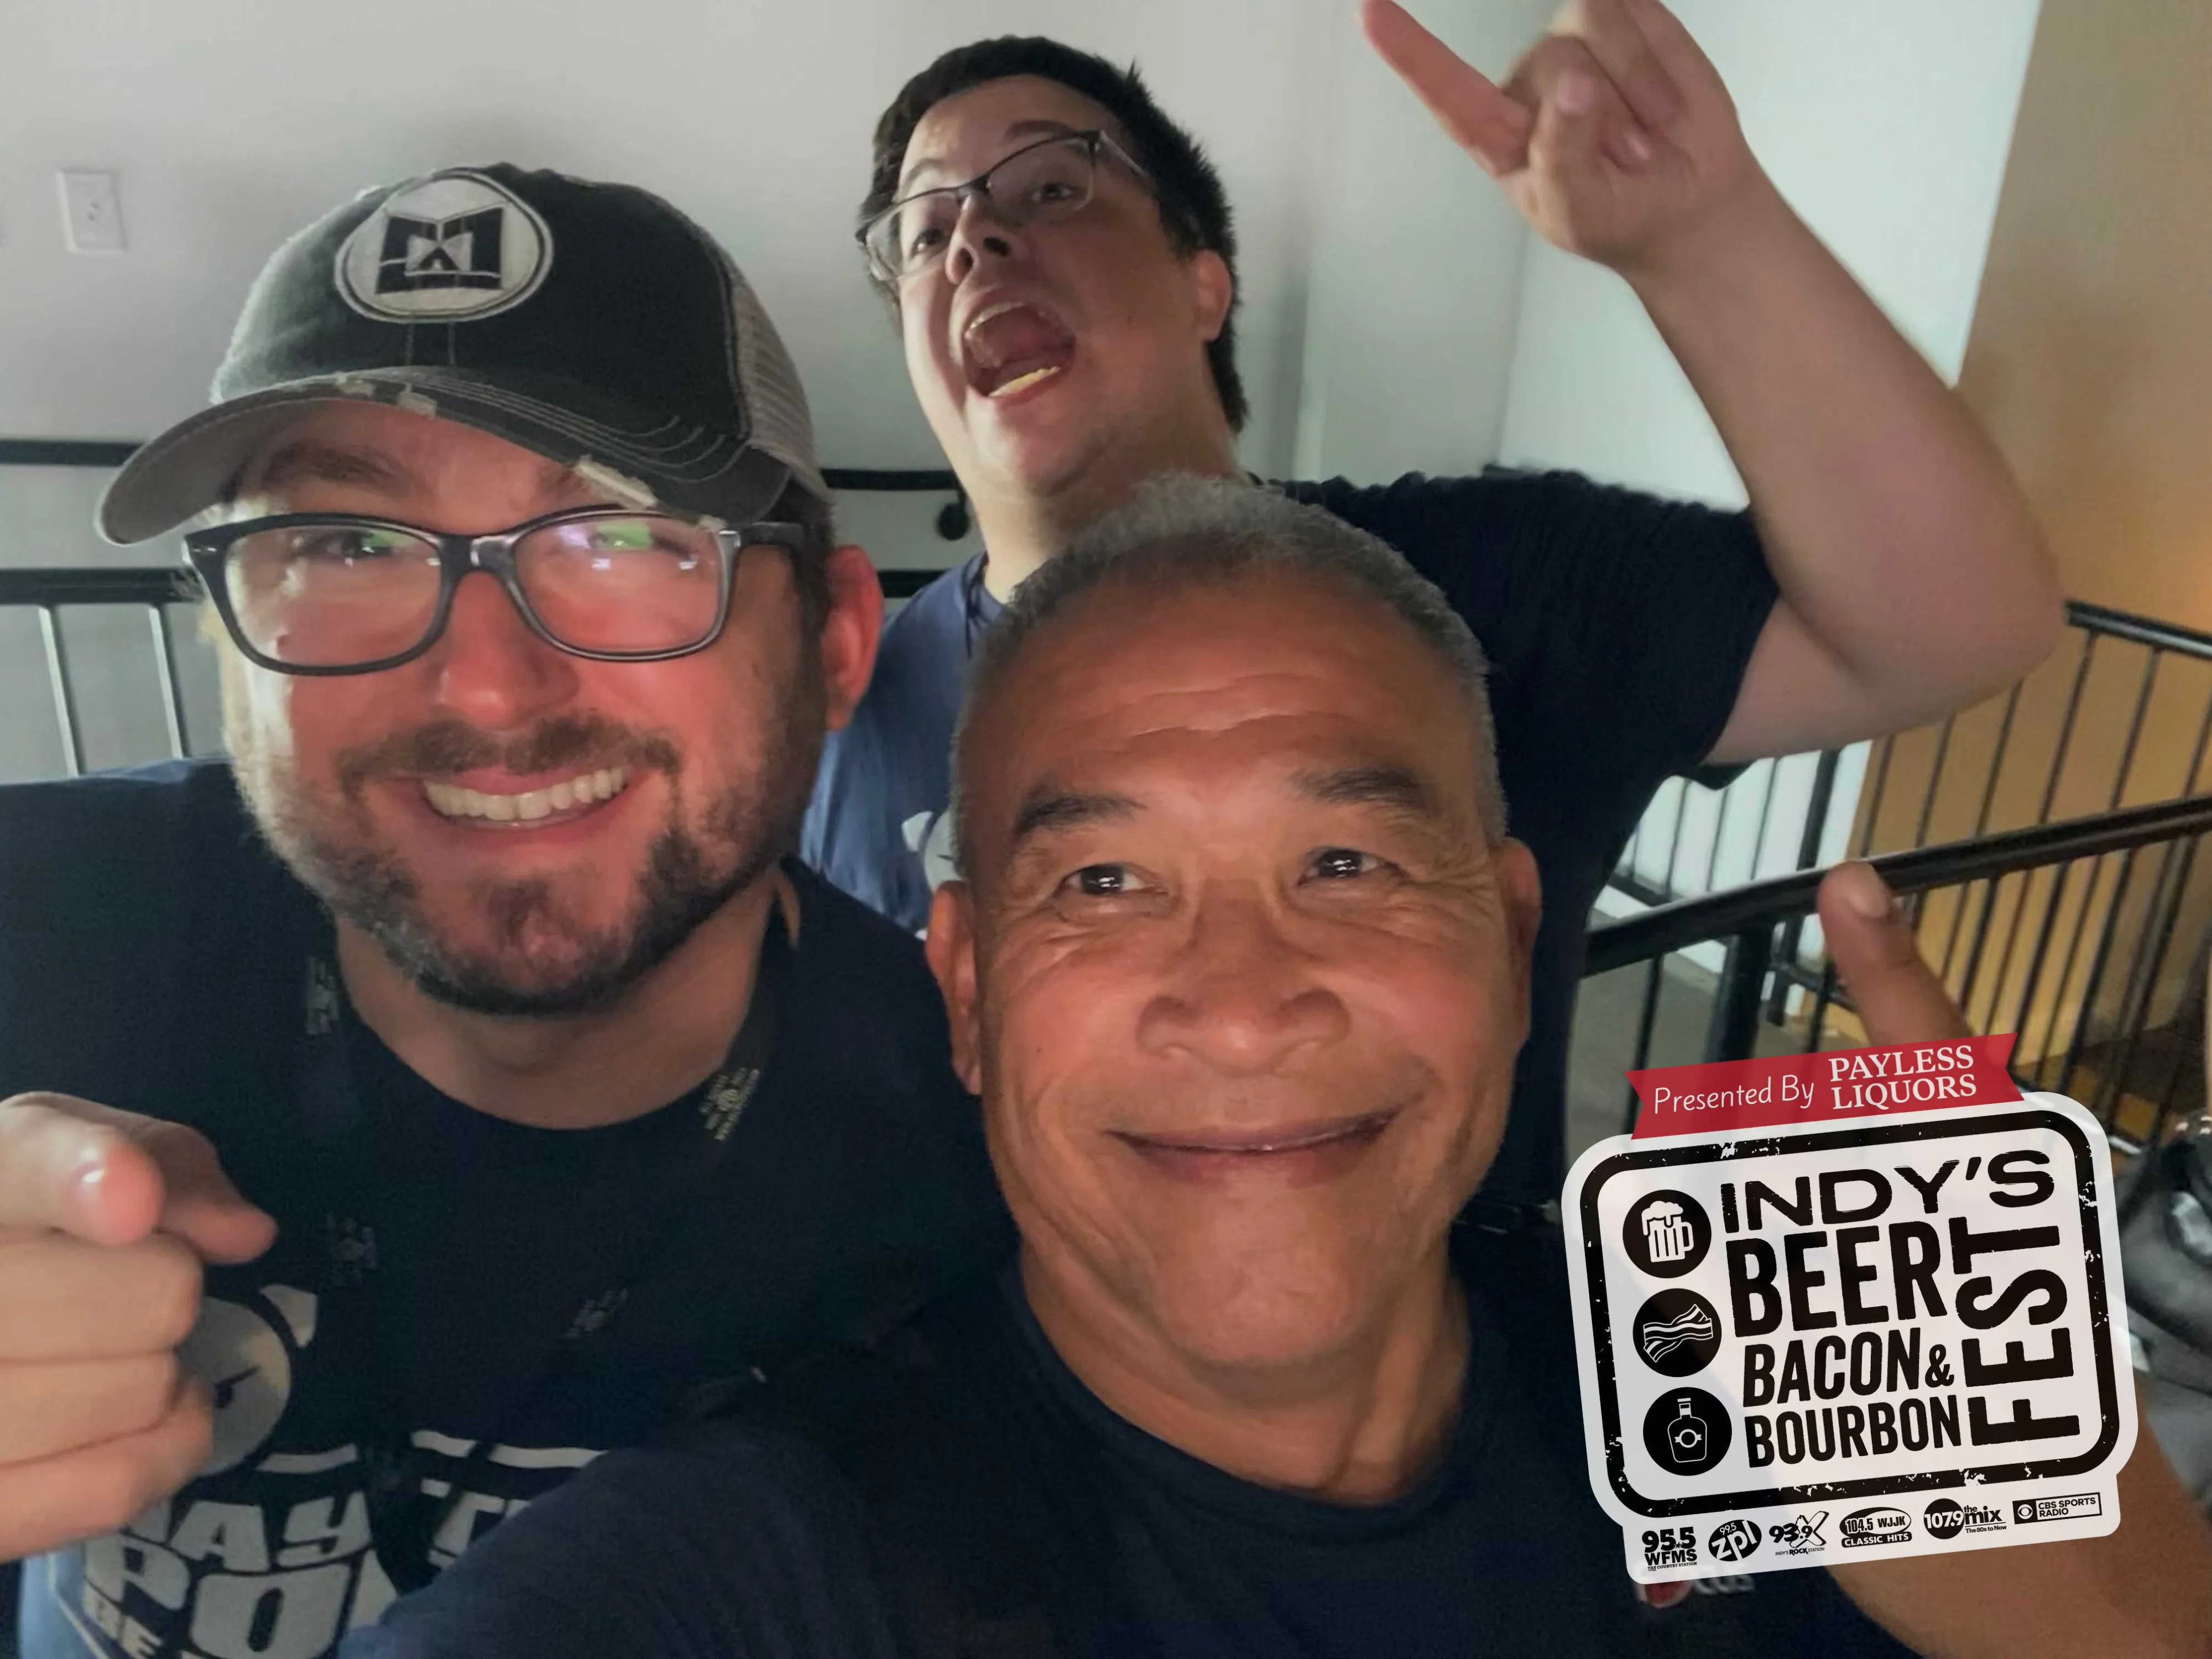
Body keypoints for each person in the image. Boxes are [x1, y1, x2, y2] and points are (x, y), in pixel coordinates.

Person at [353, 481, 2212, 1659]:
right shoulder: (755, 1567)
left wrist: (2104, 1601)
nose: (1240, 1008)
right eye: (1103, 883)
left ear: (1509, 941)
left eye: (1346, 861)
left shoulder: (1767, 1364)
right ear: (970, 993)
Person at [802, 0, 2066, 1203]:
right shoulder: (845, 712)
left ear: (1201, 285)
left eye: (1051, 186)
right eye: (922, 232)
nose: (973, 238)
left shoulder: (1475, 586)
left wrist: (1704, 241)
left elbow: (1953, 625)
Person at [0, 165, 1009, 1659]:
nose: (483, 687)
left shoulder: (992, 1160)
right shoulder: (50, 916)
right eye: (343, 545)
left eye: (621, 539)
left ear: (838, 645)